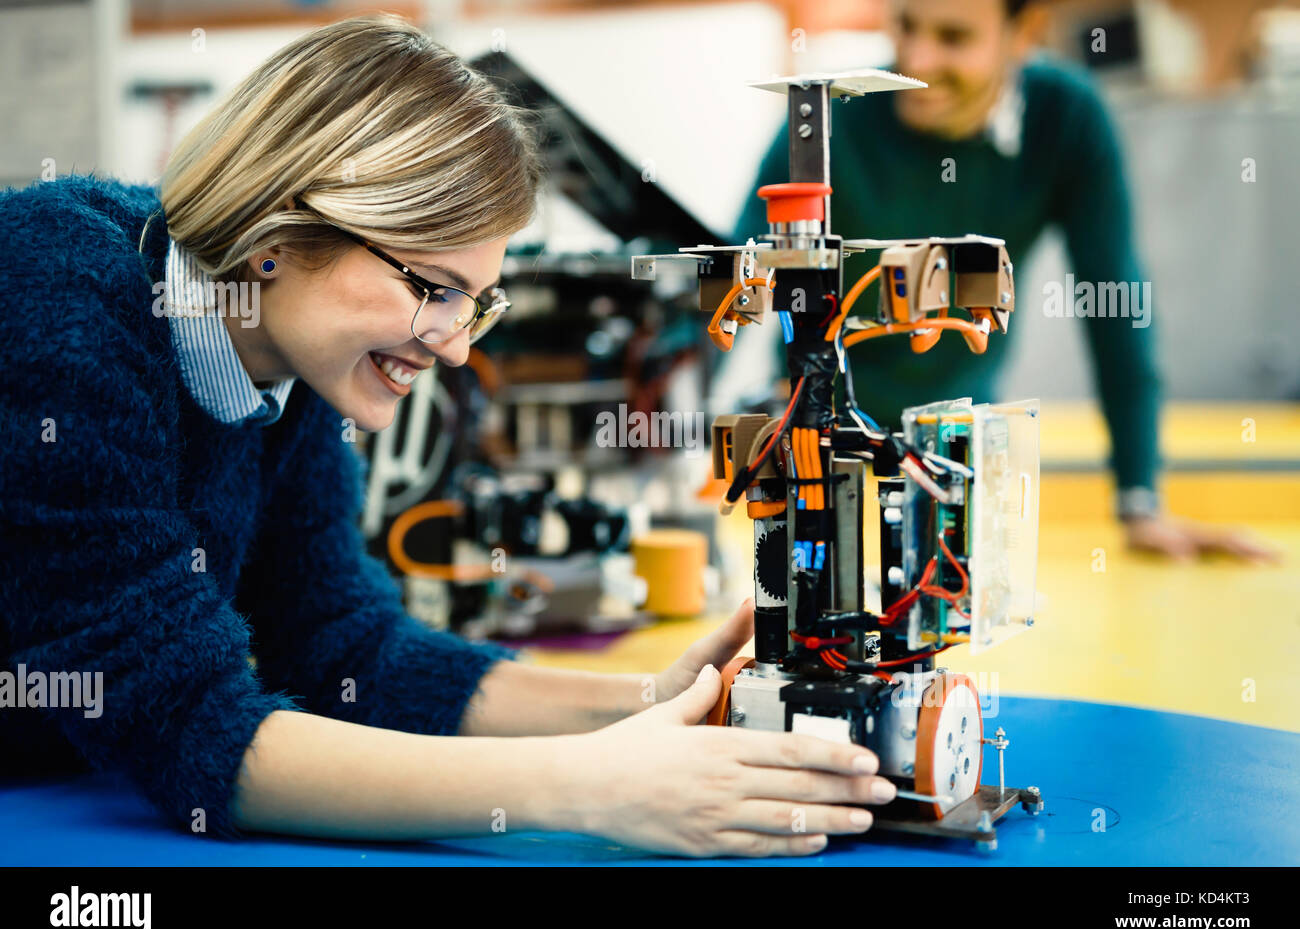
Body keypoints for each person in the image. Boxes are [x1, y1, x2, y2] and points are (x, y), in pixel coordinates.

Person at [0, 15, 897, 858]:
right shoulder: (61, 297)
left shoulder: (291, 349)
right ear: (278, 231)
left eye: (478, 300)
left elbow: (345, 653)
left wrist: (650, 702)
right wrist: (583, 787)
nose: (459, 345)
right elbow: (187, 728)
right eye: (432, 287)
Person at [736, 0, 1276, 561]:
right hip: (812, 458)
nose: (917, 58)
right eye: (906, 26)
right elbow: (732, 279)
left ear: (1025, 32)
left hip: (953, 454)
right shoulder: (829, 114)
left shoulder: (1066, 118)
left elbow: (1115, 303)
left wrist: (1140, 498)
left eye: (953, 37)